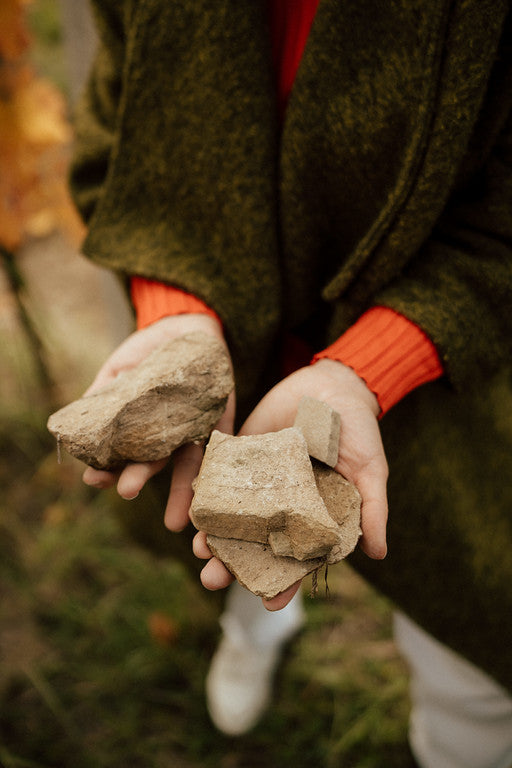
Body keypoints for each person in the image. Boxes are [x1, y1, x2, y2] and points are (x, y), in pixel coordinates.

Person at [69, 1, 512, 765]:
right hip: (228, 353)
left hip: (446, 369)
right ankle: (255, 630)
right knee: (237, 551)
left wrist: (369, 367)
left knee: (477, 654)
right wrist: (179, 313)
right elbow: (114, 140)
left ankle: (460, 733)